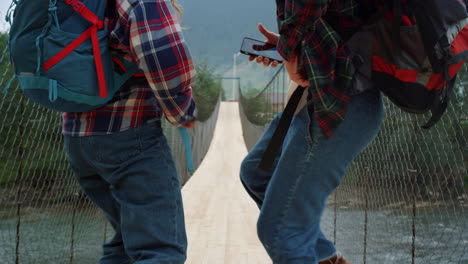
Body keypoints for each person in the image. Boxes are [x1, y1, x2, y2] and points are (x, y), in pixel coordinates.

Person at [240, 1, 382, 263]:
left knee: (282, 232)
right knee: (258, 173)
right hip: (323, 91)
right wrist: (290, 49)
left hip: (342, 99)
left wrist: (290, 47)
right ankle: (325, 258)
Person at [63, 0, 196, 263]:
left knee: (126, 242)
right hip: (130, 139)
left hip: (77, 140)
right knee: (160, 249)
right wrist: (183, 111)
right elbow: (163, 54)